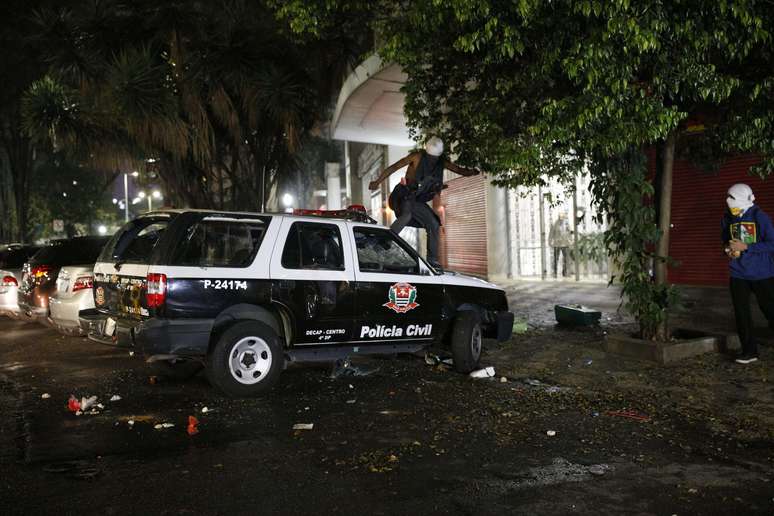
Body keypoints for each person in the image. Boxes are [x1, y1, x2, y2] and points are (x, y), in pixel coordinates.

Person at [368, 136, 480, 268]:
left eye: (435, 159)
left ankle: (432, 260)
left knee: (433, 223)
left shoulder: (442, 162)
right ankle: (382, 242)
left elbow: (459, 170)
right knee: (407, 215)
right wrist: (378, 181)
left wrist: (473, 171)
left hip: (417, 200)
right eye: (431, 158)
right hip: (404, 195)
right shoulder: (417, 157)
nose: (432, 161)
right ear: (427, 153)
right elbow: (394, 167)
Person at [722, 183, 774, 364]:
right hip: (738, 274)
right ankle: (749, 352)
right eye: (727, 196)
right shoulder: (728, 218)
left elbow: (772, 243)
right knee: (741, 314)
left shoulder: (760, 217)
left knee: (770, 311)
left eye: (732, 197)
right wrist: (728, 249)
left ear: (743, 199)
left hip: (762, 274)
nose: (728, 200)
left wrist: (747, 246)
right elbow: (725, 241)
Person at [549, 212, 573, 277]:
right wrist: (550, 241)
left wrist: (571, 241)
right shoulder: (555, 224)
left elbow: (569, 233)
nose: (561, 219)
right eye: (560, 217)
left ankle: (564, 272)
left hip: (565, 244)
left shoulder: (566, 224)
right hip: (557, 244)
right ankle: (555, 272)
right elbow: (551, 233)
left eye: (562, 217)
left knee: (565, 259)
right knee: (556, 259)